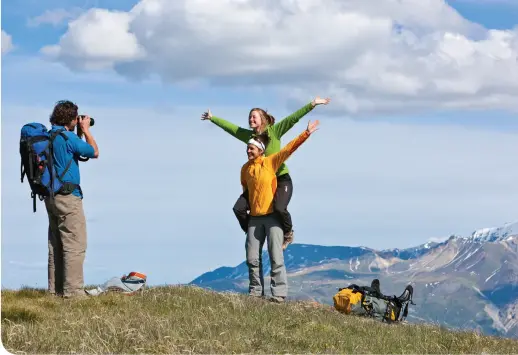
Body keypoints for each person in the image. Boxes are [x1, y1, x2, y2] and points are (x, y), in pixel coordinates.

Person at [201, 97, 330, 249]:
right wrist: (212, 118)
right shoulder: (250, 137)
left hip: (280, 178)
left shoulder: (274, 131)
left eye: (253, 116)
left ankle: (288, 233)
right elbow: (232, 128)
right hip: (260, 182)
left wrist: (312, 104)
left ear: (262, 119)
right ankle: (251, 230)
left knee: (279, 208)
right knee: (239, 208)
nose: (250, 119)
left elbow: (293, 118)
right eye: (249, 116)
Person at [240, 119, 320, 303]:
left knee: (276, 256)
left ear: (260, 150)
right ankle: (255, 293)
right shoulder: (245, 169)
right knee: (252, 257)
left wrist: (305, 133)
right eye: (247, 148)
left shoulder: (270, 162)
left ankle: (279, 294)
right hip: (254, 219)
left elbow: (288, 149)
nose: (248, 151)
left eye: (251, 148)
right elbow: (245, 191)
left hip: (273, 218)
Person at [45, 100, 99, 298]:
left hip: (50, 197)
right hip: (68, 197)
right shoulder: (67, 137)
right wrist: (86, 131)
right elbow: (94, 152)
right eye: (76, 118)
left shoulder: (49, 136)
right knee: (75, 244)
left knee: (56, 244)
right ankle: (73, 293)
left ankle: (55, 291)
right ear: (71, 119)